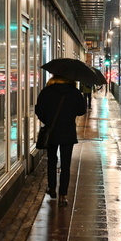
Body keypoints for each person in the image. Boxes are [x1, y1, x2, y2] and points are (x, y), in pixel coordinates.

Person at [35, 75, 86, 207]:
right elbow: (81, 111)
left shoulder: (46, 91)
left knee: (51, 160)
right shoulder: (75, 93)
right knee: (65, 165)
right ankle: (63, 195)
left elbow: (39, 110)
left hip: (52, 132)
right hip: (67, 132)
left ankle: (52, 189)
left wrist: (48, 121)